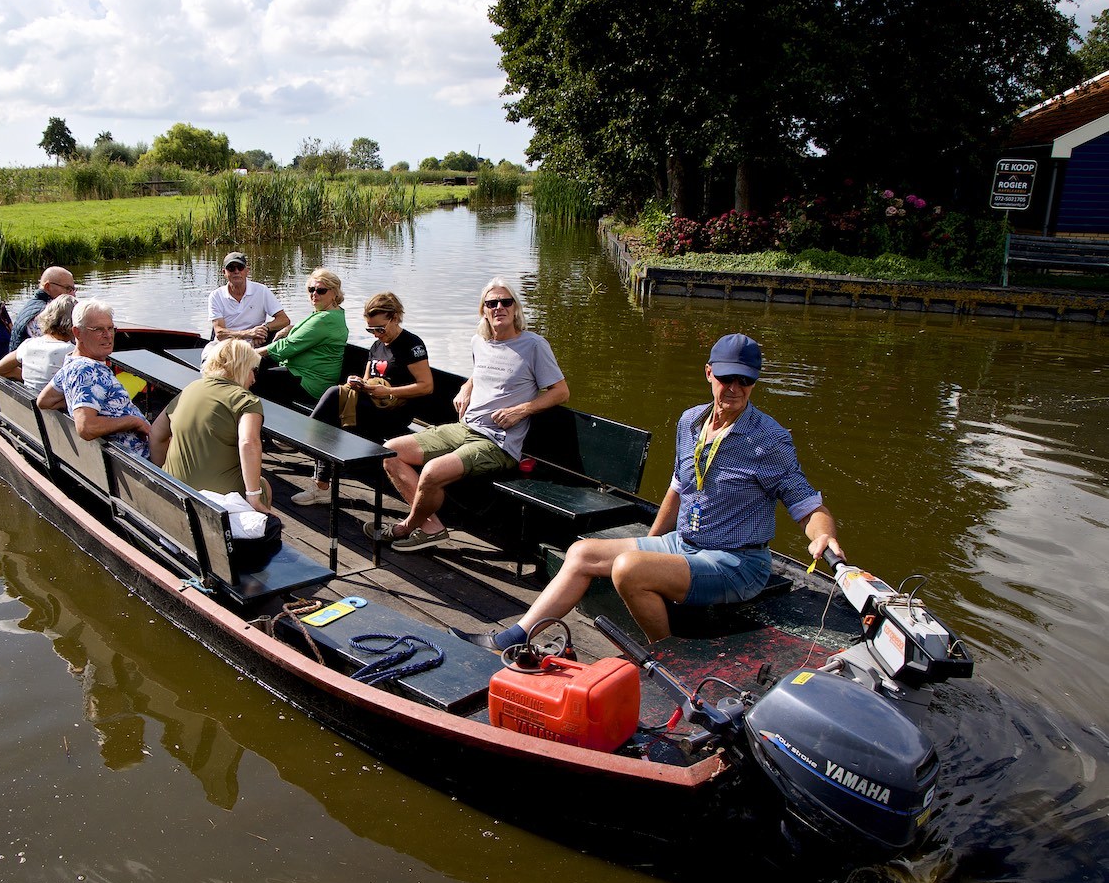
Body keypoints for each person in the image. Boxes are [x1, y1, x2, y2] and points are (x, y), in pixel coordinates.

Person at [470, 333, 844, 650]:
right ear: (709, 373)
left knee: (629, 570)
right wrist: (649, 543)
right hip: (684, 543)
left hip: (736, 563)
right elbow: (678, 488)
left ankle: (667, 659)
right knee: (582, 553)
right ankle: (514, 637)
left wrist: (823, 535)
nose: (733, 389)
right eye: (726, 378)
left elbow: (807, 504)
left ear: (754, 382)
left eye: (744, 381)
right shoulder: (690, 421)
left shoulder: (769, 439)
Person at [367, 277, 569, 553]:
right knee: (389, 452)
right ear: (483, 311)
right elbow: (484, 371)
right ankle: (433, 528)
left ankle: (409, 525)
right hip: (465, 428)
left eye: (505, 302)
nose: (499, 307)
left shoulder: (534, 345)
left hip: (498, 443)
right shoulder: (480, 342)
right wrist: (467, 386)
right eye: (491, 303)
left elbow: (560, 392)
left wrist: (522, 410)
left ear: (515, 309)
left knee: (432, 472)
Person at [291, 292, 433, 505]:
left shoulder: (410, 344)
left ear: (394, 318)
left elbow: (426, 386)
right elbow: (369, 379)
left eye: (380, 329)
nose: (376, 334)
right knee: (331, 414)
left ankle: (313, 460)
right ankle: (319, 479)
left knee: (331, 402)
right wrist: (359, 382)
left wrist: (390, 392)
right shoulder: (377, 346)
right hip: (372, 405)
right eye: (371, 330)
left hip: (394, 414)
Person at [148, 339, 272, 513]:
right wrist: (253, 495)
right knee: (263, 485)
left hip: (177, 490)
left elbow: (155, 434)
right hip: (221, 500)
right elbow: (248, 442)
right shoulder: (246, 400)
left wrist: (164, 473)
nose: (253, 379)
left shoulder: (190, 389)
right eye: (253, 370)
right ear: (241, 368)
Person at [36, 300, 152, 458]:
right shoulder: (88, 370)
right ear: (77, 333)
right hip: (140, 463)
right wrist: (133, 421)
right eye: (98, 329)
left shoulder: (71, 363)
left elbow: (44, 401)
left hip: (122, 458)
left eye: (110, 328)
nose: (108, 335)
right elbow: (86, 427)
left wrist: (83, 403)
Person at [254, 267, 348, 407]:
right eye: (311, 290)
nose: (314, 294)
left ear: (335, 293)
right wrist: (290, 328)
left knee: (251, 378)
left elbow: (287, 347)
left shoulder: (324, 319)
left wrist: (250, 352)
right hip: (304, 375)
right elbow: (311, 333)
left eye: (321, 290)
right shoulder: (334, 314)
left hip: (309, 382)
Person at [0, 293, 76, 394]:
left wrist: (28, 377)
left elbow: (0, 369)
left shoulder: (28, 344)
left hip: (30, 404)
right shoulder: (70, 352)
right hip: (54, 408)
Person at [209, 251, 289, 346]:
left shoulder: (262, 290)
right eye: (231, 268)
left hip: (255, 344)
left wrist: (263, 329)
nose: (236, 271)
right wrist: (249, 333)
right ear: (224, 273)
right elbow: (220, 333)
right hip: (225, 345)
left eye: (240, 267)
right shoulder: (216, 295)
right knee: (207, 357)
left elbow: (284, 320)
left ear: (247, 271)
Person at [9, 266, 76, 351]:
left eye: (73, 290)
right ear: (48, 286)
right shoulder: (44, 314)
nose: (73, 295)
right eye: (68, 289)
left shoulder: (31, 306)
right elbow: (55, 350)